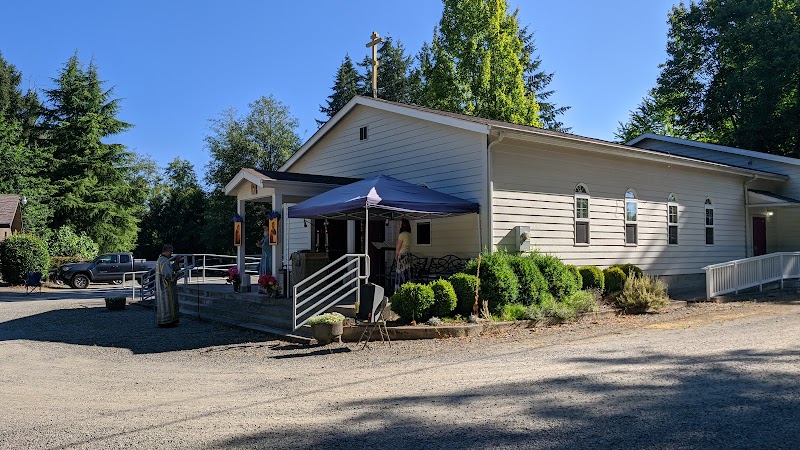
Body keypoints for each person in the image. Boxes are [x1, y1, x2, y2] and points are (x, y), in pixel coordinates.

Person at [155, 244, 182, 327]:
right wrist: (177, 274)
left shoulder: (161, 259)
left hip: (162, 286)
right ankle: (168, 322)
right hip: (166, 287)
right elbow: (168, 275)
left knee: (164, 305)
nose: (171, 253)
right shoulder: (164, 261)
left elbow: (168, 268)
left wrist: (176, 263)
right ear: (166, 251)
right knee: (168, 304)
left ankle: (164, 321)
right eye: (171, 251)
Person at [395, 219, 412, 291]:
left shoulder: (402, 235)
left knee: (400, 274)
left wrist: (396, 255)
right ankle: (408, 288)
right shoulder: (409, 234)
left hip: (402, 255)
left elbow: (398, 247)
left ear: (403, 225)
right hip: (408, 255)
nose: (399, 225)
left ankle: (399, 289)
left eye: (400, 224)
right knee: (407, 273)